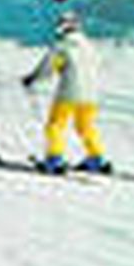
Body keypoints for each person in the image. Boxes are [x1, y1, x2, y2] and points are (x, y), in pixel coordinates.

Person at [23, 11, 111, 174]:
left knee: (55, 125)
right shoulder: (89, 46)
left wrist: (32, 78)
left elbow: (49, 67)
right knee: (86, 126)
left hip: (69, 93)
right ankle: (96, 158)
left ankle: (54, 159)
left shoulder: (63, 46)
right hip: (91, 94)